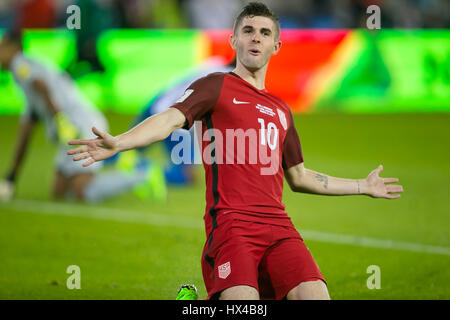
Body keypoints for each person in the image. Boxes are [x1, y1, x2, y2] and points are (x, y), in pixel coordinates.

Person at [67, 2, 404, 300]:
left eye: (264, 32)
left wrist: (362, 185)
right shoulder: (215, 85)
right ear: (233, 41)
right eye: (247, 30)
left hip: (279, 229)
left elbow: (299, 177)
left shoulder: (281, 110)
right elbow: (170, 118)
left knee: (316, 295)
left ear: (276, 45)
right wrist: (120, 142)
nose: (255, 37)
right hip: (231, 227)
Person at [0, 30, 166, 203]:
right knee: (60, 192)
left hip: (82, 126)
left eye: (2, 47)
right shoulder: (26, 76)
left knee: (84, 191)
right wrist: (12, 175)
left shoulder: (20, 65)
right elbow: (26, 131)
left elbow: (41, 86)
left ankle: (144, 175)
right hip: (71, 129)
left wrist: (60, 120)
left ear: (14, 48)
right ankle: (125, 172)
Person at [108, 56, 235, 186]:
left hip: (158, 102)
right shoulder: (228, 83)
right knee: (185, 175)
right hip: (174, 117)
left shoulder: (214, 63)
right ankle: (142, 169)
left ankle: (95, 157)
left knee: (124, 146)